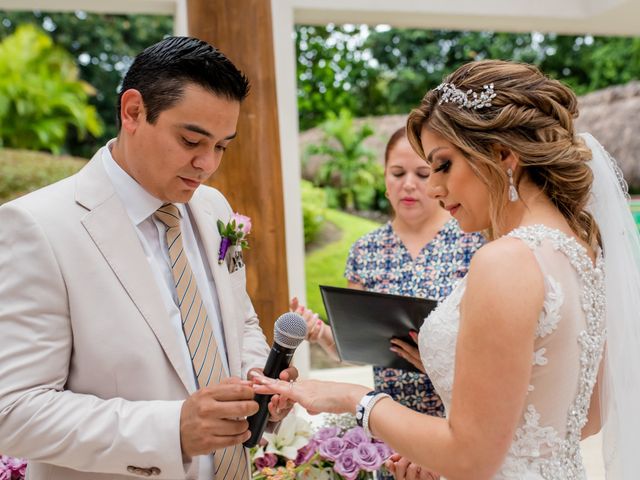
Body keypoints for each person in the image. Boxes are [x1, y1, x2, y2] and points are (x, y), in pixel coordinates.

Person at [254, 59, 640, 479]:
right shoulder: (582, 252)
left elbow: (471, 459)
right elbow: (584, 416)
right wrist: (442, 449)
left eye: (442, 165)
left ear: (502, 154)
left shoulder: (504, 260)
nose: (434, 188)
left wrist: (355, 399)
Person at [0, 37, 296, 480]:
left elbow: (239, 323)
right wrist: (171, 429)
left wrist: (258, 378)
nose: (207, 164)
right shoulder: (36, 227)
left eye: (222, 146)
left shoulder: (212, 207)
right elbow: (14, 411)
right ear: (133, 111)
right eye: (192, 139)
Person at [296, 127, 484, 423]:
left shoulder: (474, 241)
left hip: (458, 418)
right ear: (385, 180)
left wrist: (439, 362)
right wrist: (319, 331)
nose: (408, 185)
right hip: (389, 421)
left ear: (439, 179)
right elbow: (356, 349)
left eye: (422, 174)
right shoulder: (364, 250)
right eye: (397, 174)